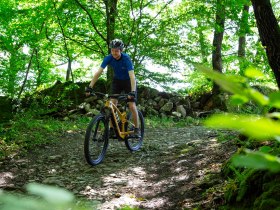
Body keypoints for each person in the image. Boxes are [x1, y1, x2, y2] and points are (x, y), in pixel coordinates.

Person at [85, 39, 140, 137]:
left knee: (131, 105)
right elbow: (99, 72)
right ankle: (111, 129)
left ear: (121, 50)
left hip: (128, 82)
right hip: (117, 81)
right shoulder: (108, 58)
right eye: (112, 50)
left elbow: (132, 76)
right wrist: (90, 87)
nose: (114, 53)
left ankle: (136, 129)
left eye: (117, 50)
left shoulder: (126, 58)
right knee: (112, 104)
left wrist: (132, 91)